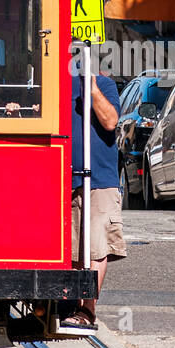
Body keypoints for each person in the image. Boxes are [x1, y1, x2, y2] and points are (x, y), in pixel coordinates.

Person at [61, 68, 125, 331]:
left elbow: (110, 121)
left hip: (99, 179)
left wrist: (93, 89)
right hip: (63, 177)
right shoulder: (56, 88)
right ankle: (68, 305)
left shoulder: (105, 84)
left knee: (96, 247)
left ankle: (87, 310)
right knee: (74, 249)